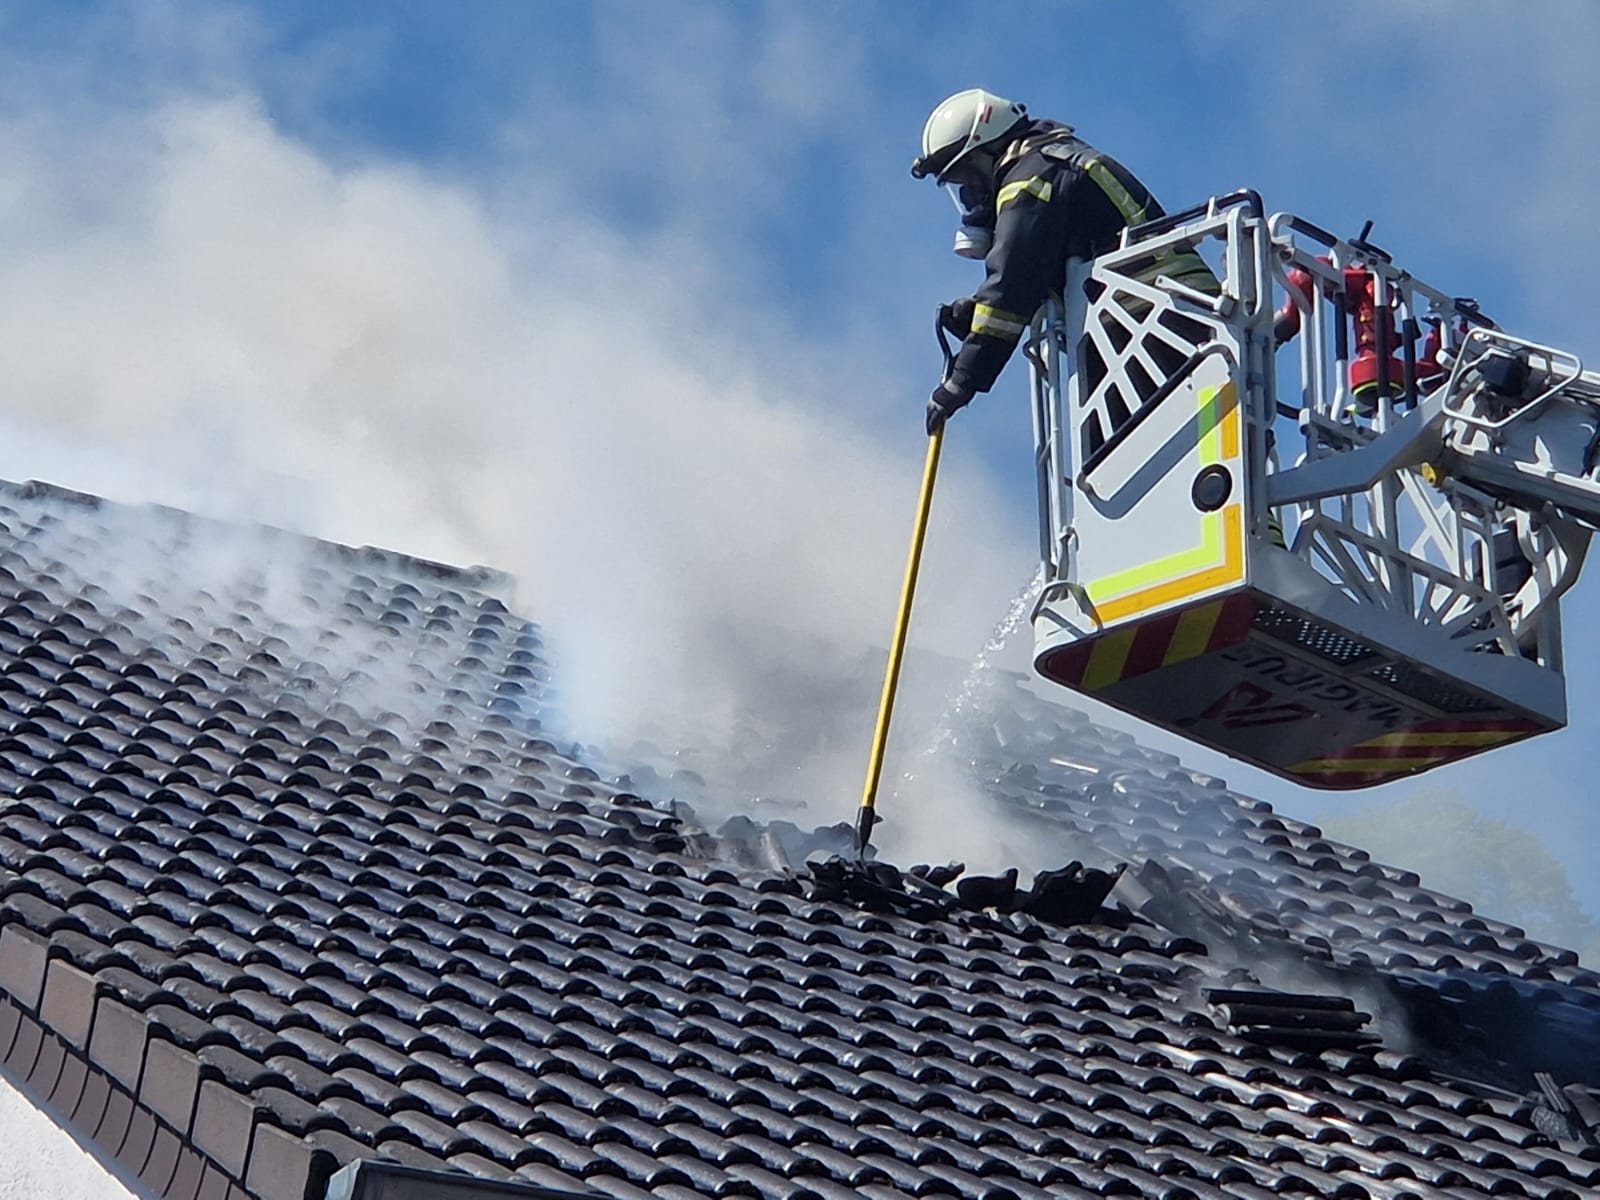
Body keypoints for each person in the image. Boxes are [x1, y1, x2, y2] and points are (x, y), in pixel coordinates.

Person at [913, 89, 1217, 435]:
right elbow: (1036, 273)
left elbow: (1012, 284)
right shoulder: (1051, 164)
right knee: (1127, 451)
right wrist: (978, 314)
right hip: (1153, 327)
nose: (970, 194)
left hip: (1162, 327)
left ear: (991, 148)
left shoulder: (1031, 179)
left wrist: (960, 382)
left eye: (969, 176)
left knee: (1198, 440)